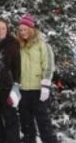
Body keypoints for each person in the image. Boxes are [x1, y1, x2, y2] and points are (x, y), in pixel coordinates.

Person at [17, 14, 58, 143]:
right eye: (21, 30)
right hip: (23, 90)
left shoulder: (42, 45)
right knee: (26, 123)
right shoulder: (18, 46)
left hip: (39, 90)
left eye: (25, 29)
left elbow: (49, 66)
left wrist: (45, 85)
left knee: (43, 122)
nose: (23, 32)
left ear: (31, 29)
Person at [0, 18, 21, 143]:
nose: (0, 31)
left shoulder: (13, 43)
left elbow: (17, 66)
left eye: (3, 28)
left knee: (10, 117)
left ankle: (12, 140)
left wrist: (16, 84)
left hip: (7, 86)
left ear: (7, 29)